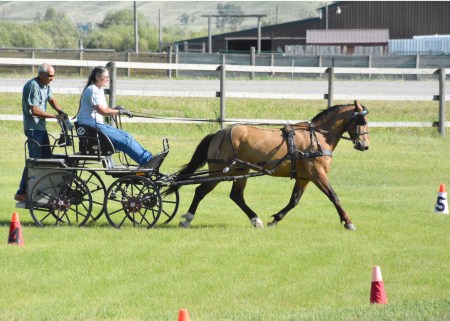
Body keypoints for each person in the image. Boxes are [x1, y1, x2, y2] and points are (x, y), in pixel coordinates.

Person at [76, 66, 154, 168]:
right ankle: (147, 161)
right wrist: (119, 112)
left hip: (97, 125)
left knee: (127, 136)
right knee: (124, 140)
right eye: (106, 77)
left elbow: (103, 108)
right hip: (91, 127)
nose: (108, 79)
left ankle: (149, 158)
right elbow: (102, 111)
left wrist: (114, 109)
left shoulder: (98, 89)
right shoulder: (93, 90)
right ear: (97, 77)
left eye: (108, 77)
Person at [14, 63, 68, 202]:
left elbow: (51, 99)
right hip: (33, 129)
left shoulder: (45, 85)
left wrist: (60, 111)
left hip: (41, 128)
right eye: (50, 76)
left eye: (54, 75)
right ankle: (21, 192)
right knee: (35, 162)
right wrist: (55, 117)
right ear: (42, 74)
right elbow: (35, 111)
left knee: (46, 158)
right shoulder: (33, 86)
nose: (53, 78)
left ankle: (43, 189)